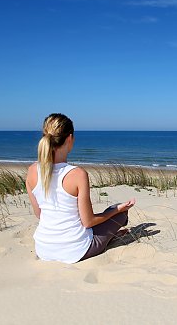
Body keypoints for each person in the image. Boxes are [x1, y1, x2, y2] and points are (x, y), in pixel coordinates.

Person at [26, 113, 135, 264]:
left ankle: (110, 234)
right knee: (118, 212)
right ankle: (110, 237)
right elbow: (88, 222)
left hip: (44, 248)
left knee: (107, 215)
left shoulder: (32, 171)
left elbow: (39, 214)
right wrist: (117, 210)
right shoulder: (77, 174)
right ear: (70, 138)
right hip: (76, 250)